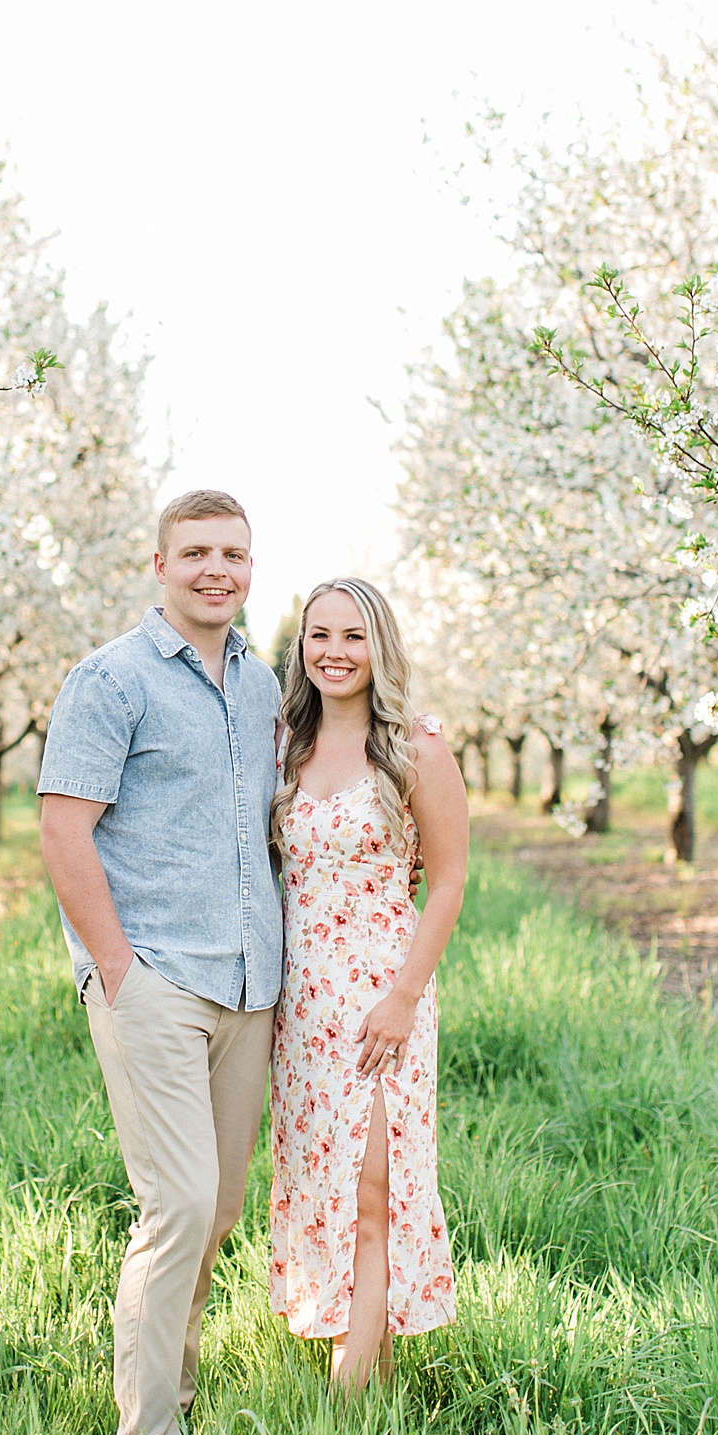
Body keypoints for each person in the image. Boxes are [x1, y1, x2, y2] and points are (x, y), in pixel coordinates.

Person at [38, 489, 281, 1435]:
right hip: (156, 982)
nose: (214, 569)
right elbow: (63, 829)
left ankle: (172, 1388)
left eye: (231, 552)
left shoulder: (263, 686)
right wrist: (117, 973)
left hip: (250, 986)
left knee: (217, 1209)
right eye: (194, 553)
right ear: (158, 563)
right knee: (175, 1205)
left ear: (249, 567)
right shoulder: (111, 681)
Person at [269, 577, 469, 1390]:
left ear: (379, 646)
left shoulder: (416, 747)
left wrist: (402, 998)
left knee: (375, 1192)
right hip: (301, 1005)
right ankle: (375, 1385)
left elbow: (449, 881)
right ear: (302, 647)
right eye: (320, 636)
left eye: (354, 637)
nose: (335, 653)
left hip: (382, 998)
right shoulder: (285, 744)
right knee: (326, 1182)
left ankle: (346, 1413)